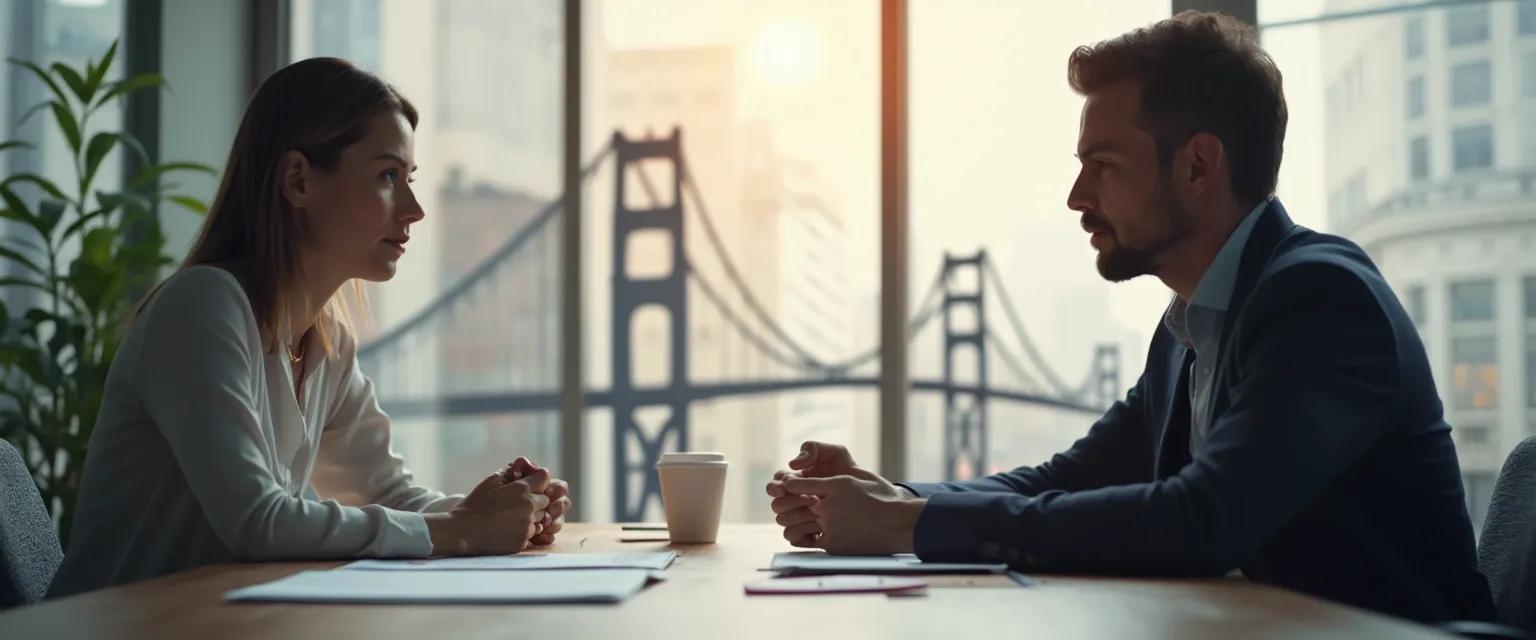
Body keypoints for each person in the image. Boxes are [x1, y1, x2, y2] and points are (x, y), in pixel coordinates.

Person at [765, 11, 1495, 624]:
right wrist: (891, 497)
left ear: (1198, 167)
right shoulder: (1188, 330)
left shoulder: (1322, 301)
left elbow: (1202, 521)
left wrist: (904, 525)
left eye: (1104, 165)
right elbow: (1065, 480)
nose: (1077, 196)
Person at [48, 58, 572, 598]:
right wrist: (464, 531)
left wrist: (503, 512)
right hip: (112, 625)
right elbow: (258, 521)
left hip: (210, 622)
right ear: (298, 179)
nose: (414, 209)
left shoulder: (327, 342)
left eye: (409, 179)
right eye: (388, 176)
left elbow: (390, 495)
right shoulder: (201, 306)